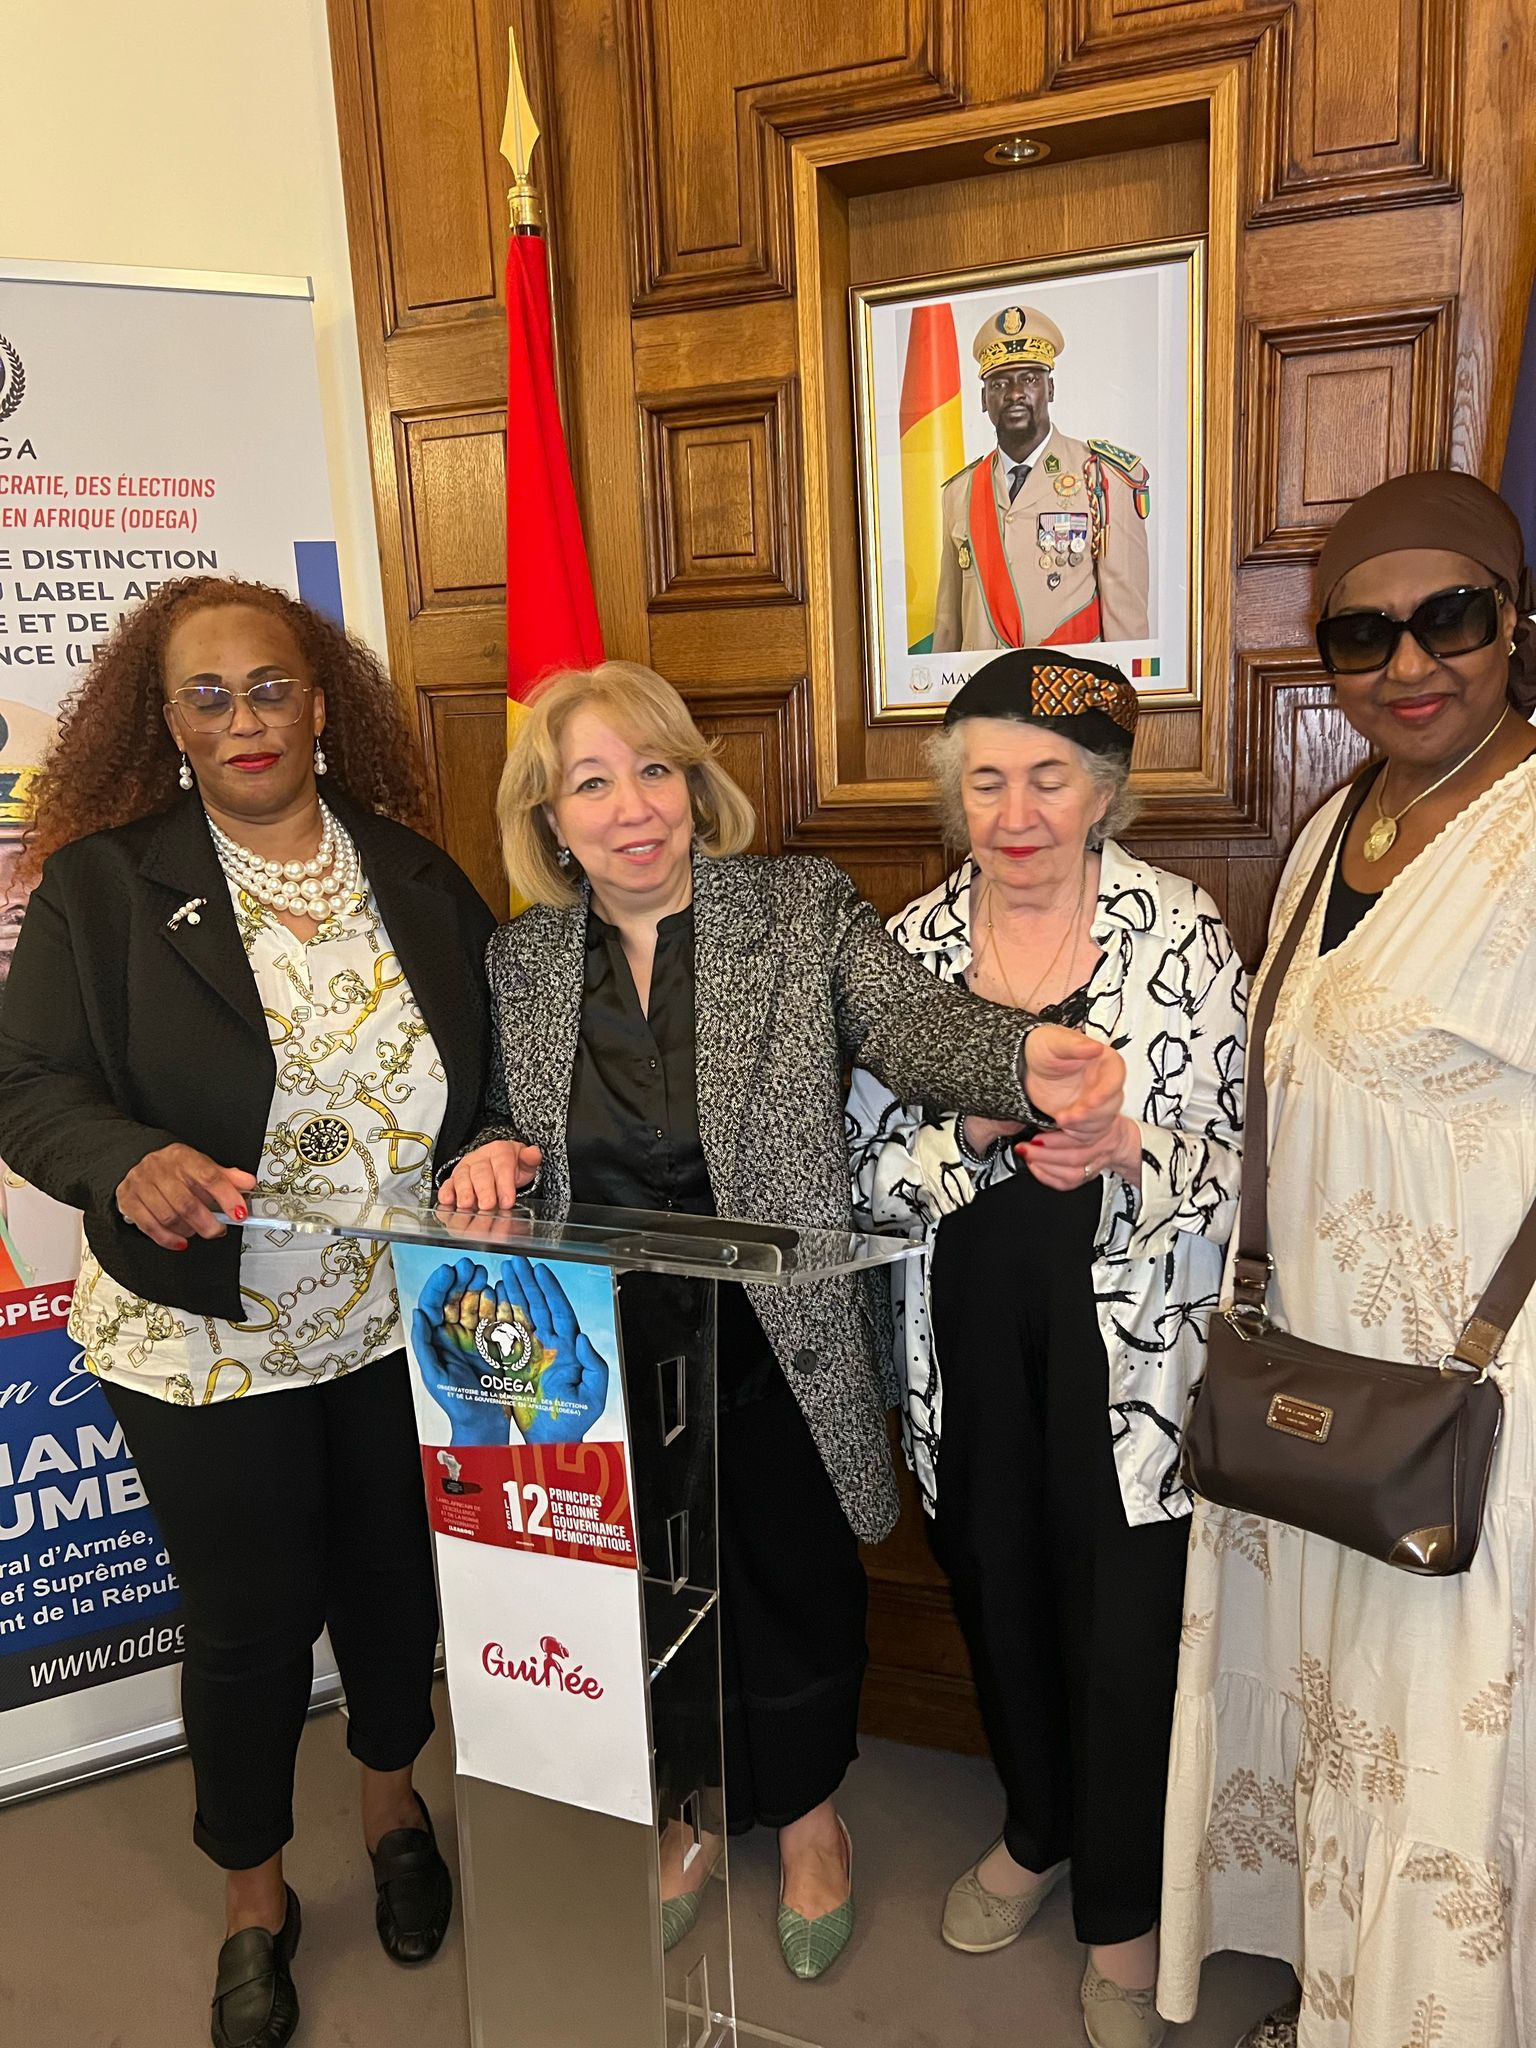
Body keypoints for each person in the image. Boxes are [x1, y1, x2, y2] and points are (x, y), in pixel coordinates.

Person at [437, 658, 1128, 1982]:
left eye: (655, 770)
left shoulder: (797, 908)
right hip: (594, 1346)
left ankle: (812, 1820)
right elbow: (500, 1110)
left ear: (695, 785)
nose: (633, 807)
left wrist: (1020, 1057)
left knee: (793, 1581)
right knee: (646, 1590)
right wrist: (488, 1151)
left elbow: (912, 1023)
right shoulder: (520, 958)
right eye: (593, 783)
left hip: (776, 1334)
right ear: (551, 817)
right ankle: (689, 1813)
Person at [0, 577, 497, 2048]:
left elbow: (495, 1069)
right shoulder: (103, 887)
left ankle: (393, 1806)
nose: (244, 719)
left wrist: (492, 1147)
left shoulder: (415, 872)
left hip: (400, 1319)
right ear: (165, 722)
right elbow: (26, 1086)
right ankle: (255, 1892)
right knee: (248, 1621)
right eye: (206, 696)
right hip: (202, 1335)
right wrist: (122, 1159)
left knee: (394, 1589)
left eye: (270, 686)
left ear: (321, 699)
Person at [1157, 470, 1536, 2048]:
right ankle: (1338, 2000)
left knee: (1434, 1726)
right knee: (1335, 1701)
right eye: (1362, 635)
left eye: (1449, 618)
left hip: (1476, 1384)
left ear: (1516, 620)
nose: (1409, 663)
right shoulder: (1336, 828)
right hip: (1317, 1369)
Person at [847, 651, 1245, 2048]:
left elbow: (1240, 1170)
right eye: (987, 781)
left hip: (1130, 1357)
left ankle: (1123, 1916)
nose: (1015, 814)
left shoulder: (1180, 931)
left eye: (1049, 779)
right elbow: (860, 1178)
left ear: (1104, 792)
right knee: (995, 1581)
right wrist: (970, 1134)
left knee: (1126, 1622)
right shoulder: (906, 948)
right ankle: (1034, 1828)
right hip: (961, 1335)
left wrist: (1128, 1147)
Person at [931, 306, 1152, 652]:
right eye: (999, 383)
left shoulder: (1102, 478)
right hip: (984, 687)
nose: (1014, 393)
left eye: (1030, 379)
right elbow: (948, 628)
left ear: (1050, 389)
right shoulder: (960, 492)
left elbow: (1128, 630)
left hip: (1067, 685)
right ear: (983, 399)